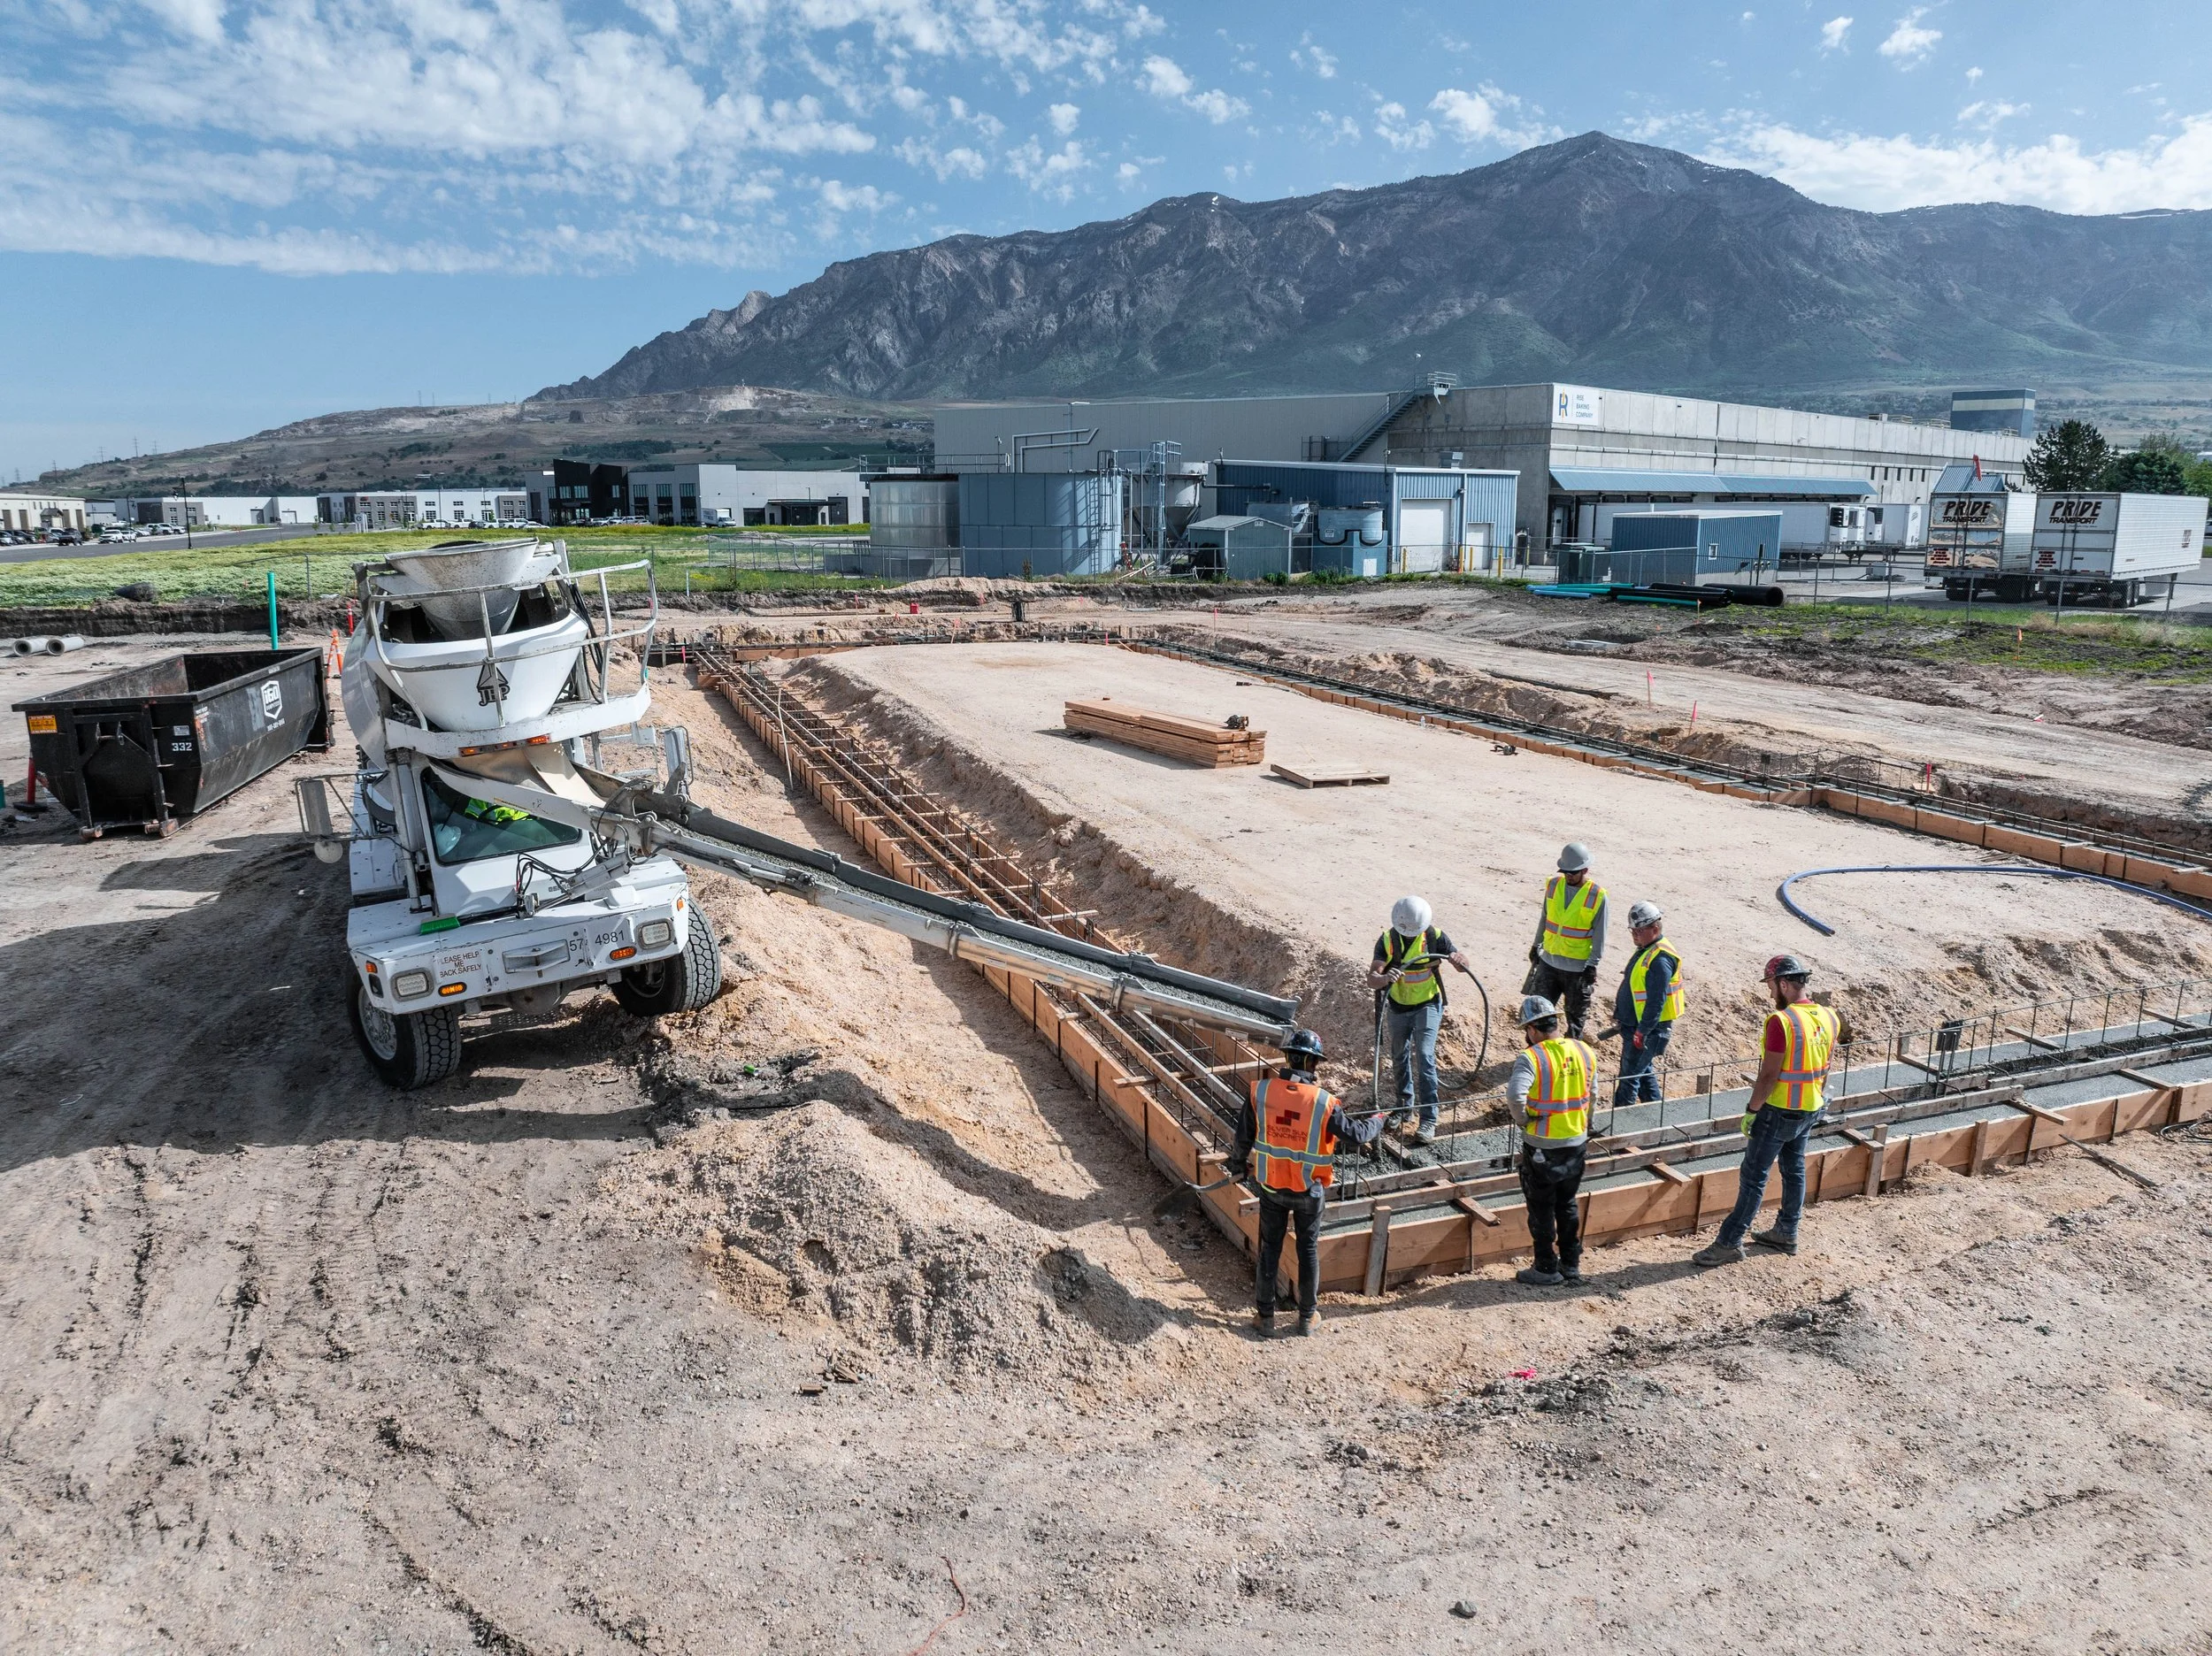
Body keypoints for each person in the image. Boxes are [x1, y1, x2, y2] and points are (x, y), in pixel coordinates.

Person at [1226, 1028, 1382, 1336]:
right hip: (1309, 1191)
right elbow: (1356, 1135)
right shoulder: (1323, 1102)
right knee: (1307, 1250)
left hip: (1272, 1187)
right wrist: (1378, 1121)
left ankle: (1265, 1318)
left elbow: (1243, 1136)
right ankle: (1307, 1318)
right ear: (1312, 1063)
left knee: (1270, 1249)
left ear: (1288, 1058)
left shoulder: (1262, 1092)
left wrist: (1238, 1165)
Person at [1694, 955, 1847, 1267]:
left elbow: (1768, 1075)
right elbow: (1827, 1064)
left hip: (1778, 1111)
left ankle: (1729, 1243)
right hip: (1811, 1107)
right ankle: (1787, 1231)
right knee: (1794, 1169)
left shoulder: (1782, 1021)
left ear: (1784, 984)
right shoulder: (1829, 1016)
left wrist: (1752, 1110)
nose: (1770, 992)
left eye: (1771, 986)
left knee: (1753, 1177)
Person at [1367, 895, 1477, 1146]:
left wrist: (1459, 960)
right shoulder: (1388, 940)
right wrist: (1384, 978)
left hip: (1427, 1004)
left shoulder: (1434, 936)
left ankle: (1429, 1119)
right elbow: (1372, 979)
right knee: (1399, 1055)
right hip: (1398, 1006)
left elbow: (1462, 965)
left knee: (1425, 1056)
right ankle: (1404, 1107)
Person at [1508, 995, 1595, 1286]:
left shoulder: (1531, 1057)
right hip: (1576, 1142)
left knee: (1541, 1207)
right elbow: (1593, 1093)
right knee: (1567, 1203)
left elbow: (1515, 1097)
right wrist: (1584, 1123)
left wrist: (1524, 1120)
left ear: (1532, 1029)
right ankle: (1570, 1264)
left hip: (1543, 1146)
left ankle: (1546, 1267)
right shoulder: (1583, 1050)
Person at [1526, 843, 1608, 1040]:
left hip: (1577, 970)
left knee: (1575, 1023)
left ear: (1585, 870)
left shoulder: (1597, 896)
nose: (1568, 876)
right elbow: (1545, 918)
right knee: (1537, 1017)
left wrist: (1592, 965)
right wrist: (1536, 945)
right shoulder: (1554, 886)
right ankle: (1538, 1053)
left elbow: (1600, 934)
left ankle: (1571, 1054)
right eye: (1565, 872)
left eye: (1573, 873)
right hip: (1549, 962)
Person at [1612, 901, 1684, 1112]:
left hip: (1649, 1030)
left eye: (1639, 931)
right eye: (1633, 931)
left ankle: (1620, 1122)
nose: (1635, 935)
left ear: (1655, 928)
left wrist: (1642, 1031)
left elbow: (1656, 1002)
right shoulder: (1647, 949)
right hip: (1637, 1027)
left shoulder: (1660, 959)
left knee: (1629, 1079)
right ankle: (1656, 1116)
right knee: (1644, 1076)